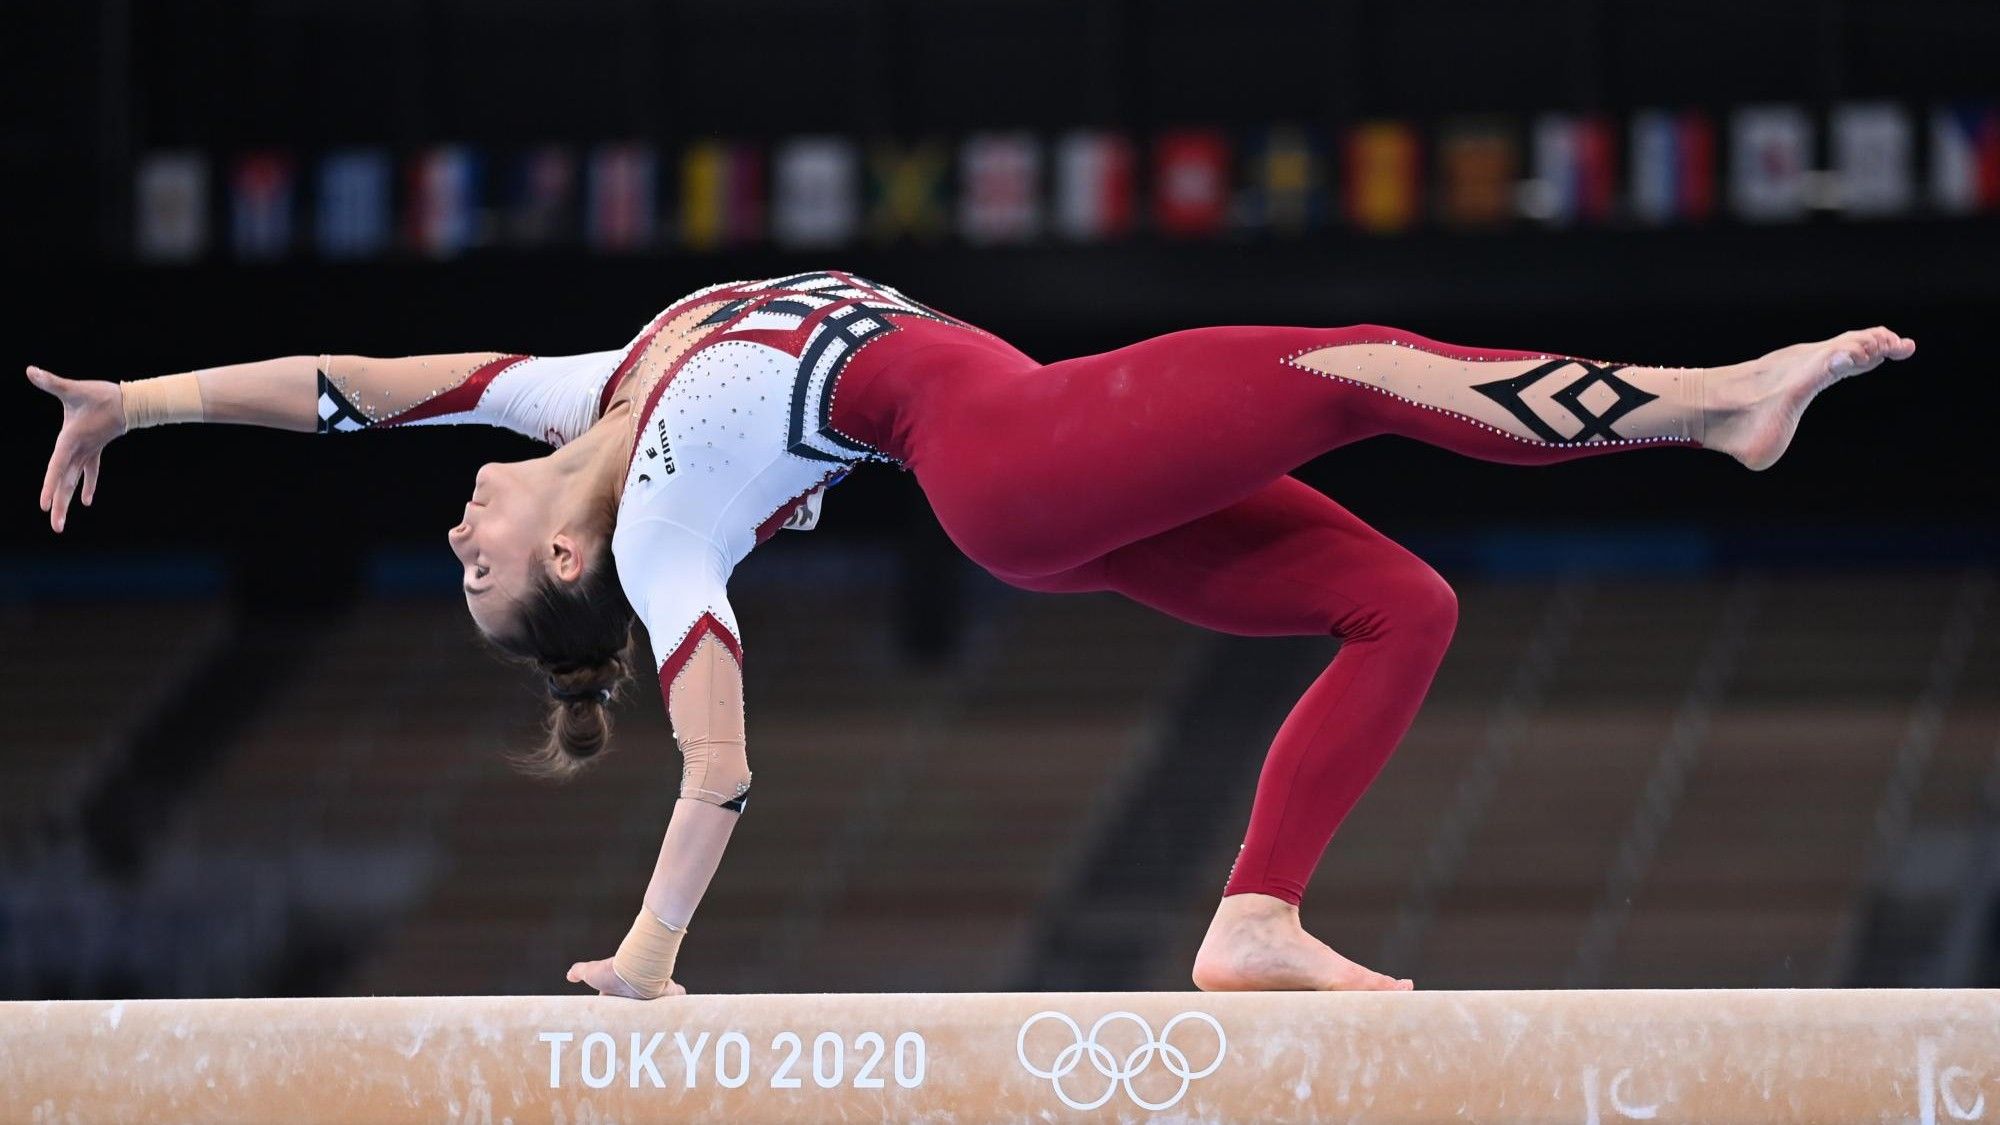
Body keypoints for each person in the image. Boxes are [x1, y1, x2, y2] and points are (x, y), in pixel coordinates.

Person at [28, 269, 1915, 997]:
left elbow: (353, 387)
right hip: (1004, 451)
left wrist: (143, 399)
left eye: (461, 543)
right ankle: (1719, 397)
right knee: (1350, 367)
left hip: (1037, 473)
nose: (458, 529)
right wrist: (647, 951)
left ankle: (1252, 915)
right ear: (572, 571)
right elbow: (724, 764)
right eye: (478, 571)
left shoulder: (577, 389)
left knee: (1394, 602)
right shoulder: (671, 530)